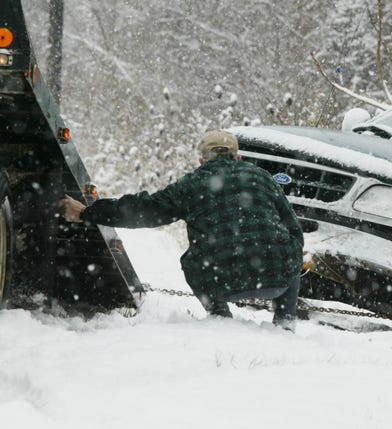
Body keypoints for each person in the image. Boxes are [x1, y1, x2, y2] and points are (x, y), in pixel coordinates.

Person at [59, 130, 304, 329]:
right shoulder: (263, 178)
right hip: (277, 278)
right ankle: (285, 321)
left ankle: (219, 314)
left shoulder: (193, 184)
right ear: (237, 157)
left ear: (202, 160)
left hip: (222, 282)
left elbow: (144, 209)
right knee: (290, 247)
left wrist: (87, 212)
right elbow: (295, 230)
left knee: (191, 259)